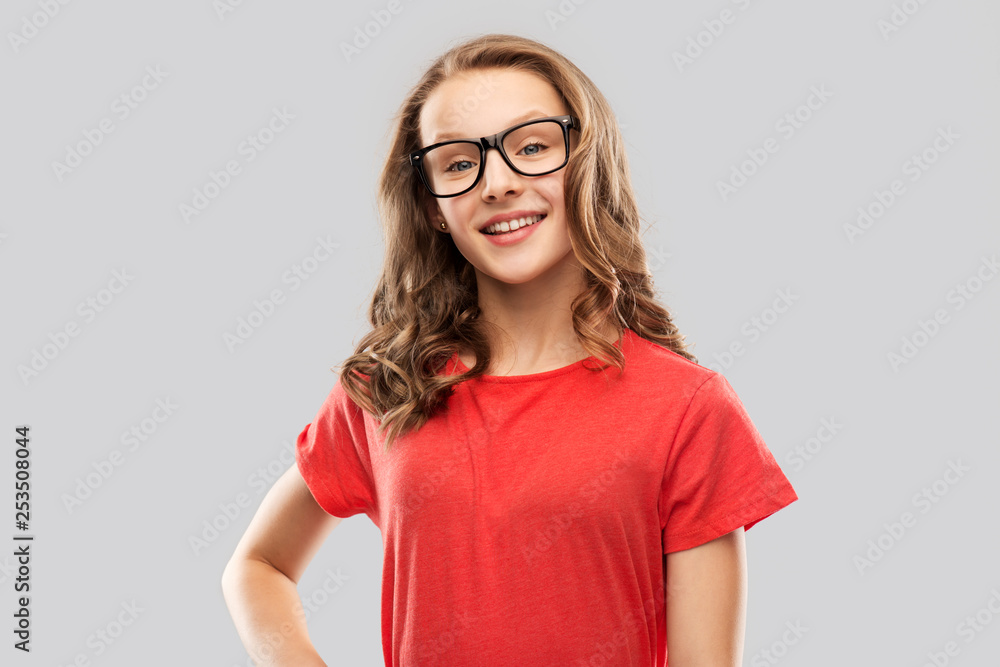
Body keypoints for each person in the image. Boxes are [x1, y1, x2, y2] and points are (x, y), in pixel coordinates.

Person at [221, 33, 798, 667]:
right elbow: (258, 566)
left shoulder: (688, 408)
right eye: (459, 162)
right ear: (434, 206)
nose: (497, 183)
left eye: (531, 147)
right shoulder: (391, 387)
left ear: (585, 164)